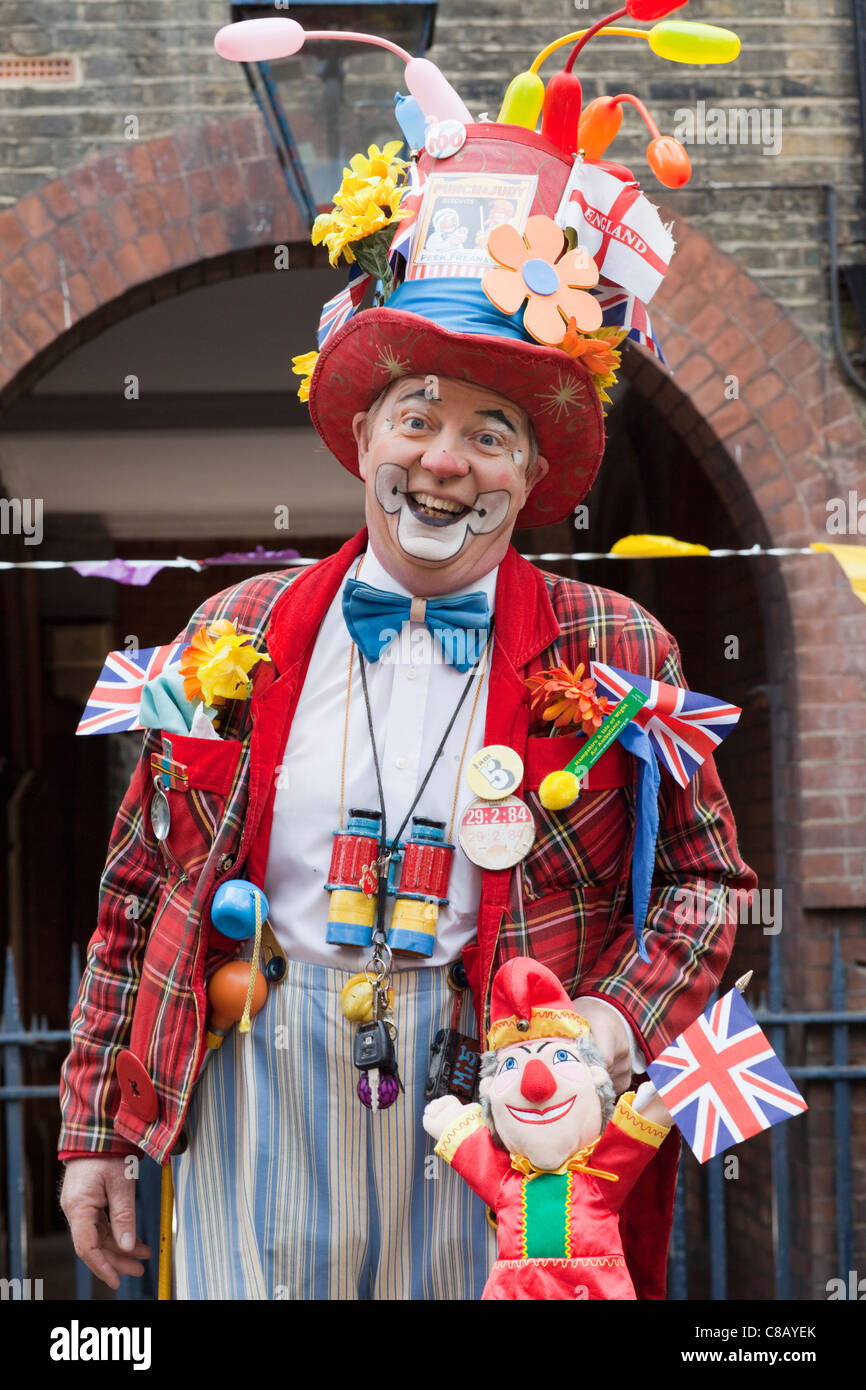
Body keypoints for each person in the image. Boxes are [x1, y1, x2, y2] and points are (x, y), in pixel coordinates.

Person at [58, 114, 756, 1301]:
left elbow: (712, 884)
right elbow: (136, 884)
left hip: (496, 1093)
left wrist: (605, 1022)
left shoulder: (618, 645)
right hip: (253, 1068)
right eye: (417, 417)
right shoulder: (234, 630)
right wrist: (91, 1125)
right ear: (361, 437)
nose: (445, 462)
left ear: (531, 475)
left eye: (491, 435)